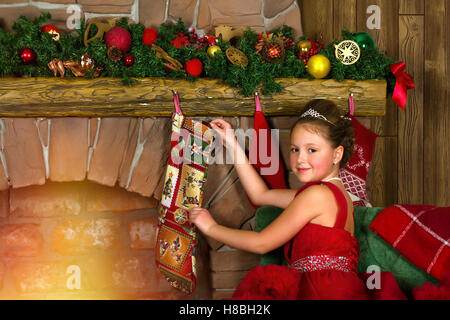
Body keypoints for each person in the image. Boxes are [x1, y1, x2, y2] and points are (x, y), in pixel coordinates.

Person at [189, 99, 405, 300]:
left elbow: (262, 243)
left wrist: (211, 228)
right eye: (295, 149)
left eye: (312, 150)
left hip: (320, 292)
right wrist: (232, 143)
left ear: (337, 154)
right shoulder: (333, 193)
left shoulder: (316, 196)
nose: (300, 159)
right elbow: (261, 195)